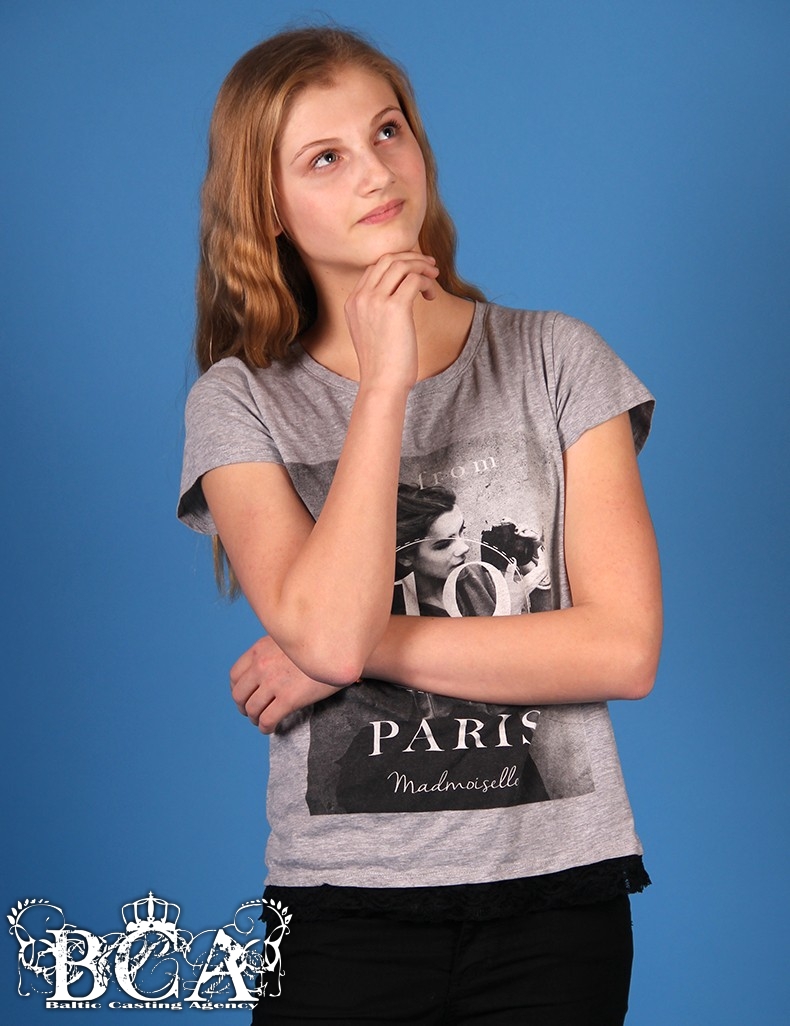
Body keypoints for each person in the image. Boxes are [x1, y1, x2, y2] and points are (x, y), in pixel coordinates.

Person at [178, 24, 662, 1025]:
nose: (374, 170)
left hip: (557, 904)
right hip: (340, 908)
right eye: (325, 157)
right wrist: (384, 384)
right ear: (267, 209)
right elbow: (323, 632)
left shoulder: (558, 359)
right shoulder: (238, 402)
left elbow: (622, 650)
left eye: (386, 130)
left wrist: (345, 652)